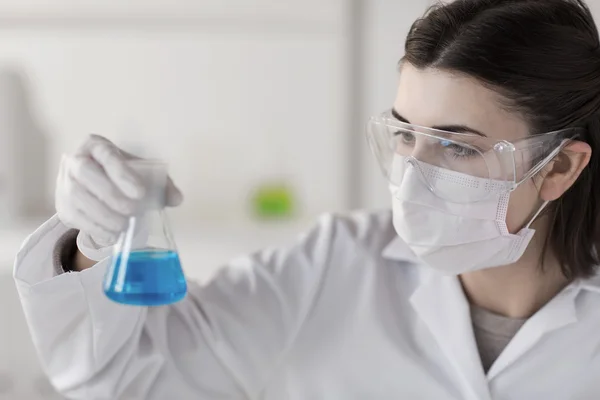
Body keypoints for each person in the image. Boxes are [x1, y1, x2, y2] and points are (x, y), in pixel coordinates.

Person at [13, 0, 600, 398]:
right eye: (404, 135)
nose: (413, 176)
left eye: (459, 149)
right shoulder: (334, 265)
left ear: (560, 167)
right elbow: (120, 381)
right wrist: (90, 245)